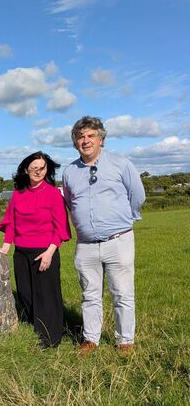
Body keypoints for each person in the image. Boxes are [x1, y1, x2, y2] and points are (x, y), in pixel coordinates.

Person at [62, 116, 145, 355]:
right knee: (89, 294)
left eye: (90, 136)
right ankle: (91, 339)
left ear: (101, 139)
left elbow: (137, 195)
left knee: (122, 293)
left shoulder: (120, 163)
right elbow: (70, 202)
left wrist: (126, 219)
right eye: (80, 137)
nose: (85, 141)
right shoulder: (69, 172)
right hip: (86, 245)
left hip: (118, 240)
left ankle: (125, 340)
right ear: (75, 142)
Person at [0, 151, 71, 348]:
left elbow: (60, 226)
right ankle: (35, 329)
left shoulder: (54, 194)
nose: (39, 172)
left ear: (48, 170)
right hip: (21, 252)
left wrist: (50, 252)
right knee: (25, 295)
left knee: (46, 296)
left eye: (42, 168)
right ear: (26, 170)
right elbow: (11, 222)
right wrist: (6, 246)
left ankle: (50, 338)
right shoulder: (18, 194)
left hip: (45, 251)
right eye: (34, 168)